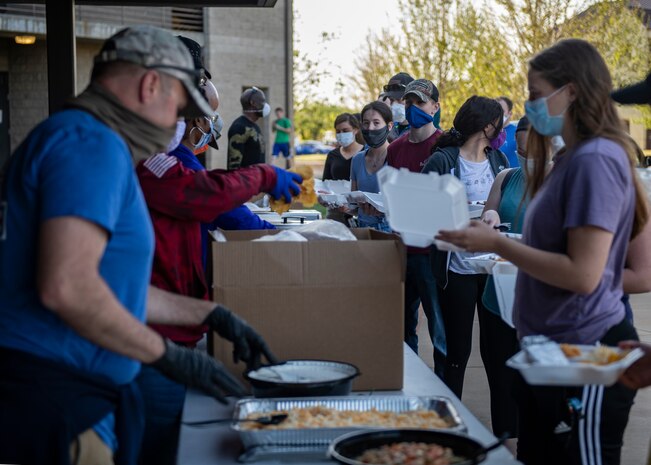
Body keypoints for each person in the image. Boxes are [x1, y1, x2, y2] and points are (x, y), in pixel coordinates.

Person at [0, 26, 282, 465]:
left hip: (74, 390)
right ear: (151, 84)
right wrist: (167, 355)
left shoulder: (81, 137)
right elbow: (68, 288)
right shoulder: (91, 143)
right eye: (179, 107)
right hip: (60, 393)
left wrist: (209, 313)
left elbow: (107, 286)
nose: (180, 123)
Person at [436, 39, 648, 465]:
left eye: (535, 94)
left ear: (569, 91)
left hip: (583, 353)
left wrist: (498, 244)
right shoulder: (573, 158)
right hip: (554, 350)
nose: (529, 104)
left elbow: (584, 274)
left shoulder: (596, 160)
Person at [136, 77, 289, 465]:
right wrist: (265, 176)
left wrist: (208, 315)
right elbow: (207, 195)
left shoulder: (164, 163)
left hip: (174, 325)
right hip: (152, 341)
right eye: (205, 115)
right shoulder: (149, 165)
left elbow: (202, 185)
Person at [421, 96, 508, 398]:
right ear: (487, 126)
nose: (502, 128)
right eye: (500, 122)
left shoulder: (499, 162)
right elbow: (422, 213)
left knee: (497, 353)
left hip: (492, 269)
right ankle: (449, 415)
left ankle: (505, 432)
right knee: (456, 352)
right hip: (455, 269)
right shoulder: (442, 160)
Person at [477, 116, 531, 445]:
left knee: (529, 385)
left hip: (537, 297)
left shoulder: (563, 183)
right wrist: (490, 218)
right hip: (496, 293)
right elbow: (487, 224)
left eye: (532, 149)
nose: (526, 156)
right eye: (520, 150)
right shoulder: (506, 176)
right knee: (499, 379)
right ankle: (504, 443)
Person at [386, 79, 446, 379]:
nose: (412, 109)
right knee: (401, 326)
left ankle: (446, 387)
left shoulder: (445, 146)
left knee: (439, 328)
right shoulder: (395, 149)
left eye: (420, 103)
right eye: (409, 103)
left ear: (435, 107)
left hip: (432, 253)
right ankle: (409, 381)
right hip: (401, 250)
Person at [350, 101, 393, 231]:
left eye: (376, 122)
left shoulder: (397, 158)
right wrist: (341, 206)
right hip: (363, 228)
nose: (370, 128)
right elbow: (354, 205)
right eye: (366, 123)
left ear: (389, 126)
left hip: (390, 229)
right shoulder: (357, 159)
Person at [322, 113, 364, 224]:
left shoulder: (365, 153)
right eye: (338, 131)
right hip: (335, 214)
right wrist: (324, 198)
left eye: (345, 131)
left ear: (355, 130)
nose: (341, 134)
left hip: (361, 213)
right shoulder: (332, 155)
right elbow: (325, 184)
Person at [227, 87, 270, 170]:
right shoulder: (239, 127)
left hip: (257, 181)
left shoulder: (255, 126)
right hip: (245, 182)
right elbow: (233, 168)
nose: (265, 105)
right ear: (253, 103)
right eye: (262, 101)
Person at [383, 72, 414, 142]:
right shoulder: (387, 129)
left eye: (399, 99)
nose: (394, 104)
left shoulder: (421, 131)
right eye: (391, 100)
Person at [496, 96, 519, 167]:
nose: (498, 114)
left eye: (502, 111)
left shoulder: (518, 132)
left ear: (510, 114)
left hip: (513, 176)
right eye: (496, 110)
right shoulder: (487, 133)